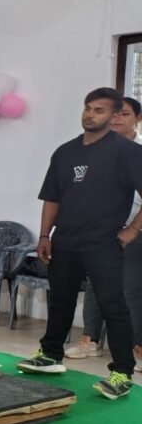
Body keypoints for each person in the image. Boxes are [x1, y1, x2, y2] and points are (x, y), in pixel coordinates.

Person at [17, 88, 142, 400]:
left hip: (103, 243)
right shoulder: (65, 152)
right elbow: (52, 198)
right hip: (65, 241)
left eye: (99, 110)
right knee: (60, 300)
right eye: (88, 108)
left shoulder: (127, 152)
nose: (90, 114)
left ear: (114, 116)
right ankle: (50, 355)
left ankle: (122, 372)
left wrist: (131, 230)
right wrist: (44, 235)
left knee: (113, 305)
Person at [65, 96, 142, 364]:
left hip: (134, 232)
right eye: (115, 114)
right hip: (101, 232)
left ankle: (135, 346)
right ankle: (90, 340)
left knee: (130, 289)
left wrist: (132, 229)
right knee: (95, 286)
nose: (117, 119)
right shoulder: (96, 150)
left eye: (125, 114)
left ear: (137, 119)